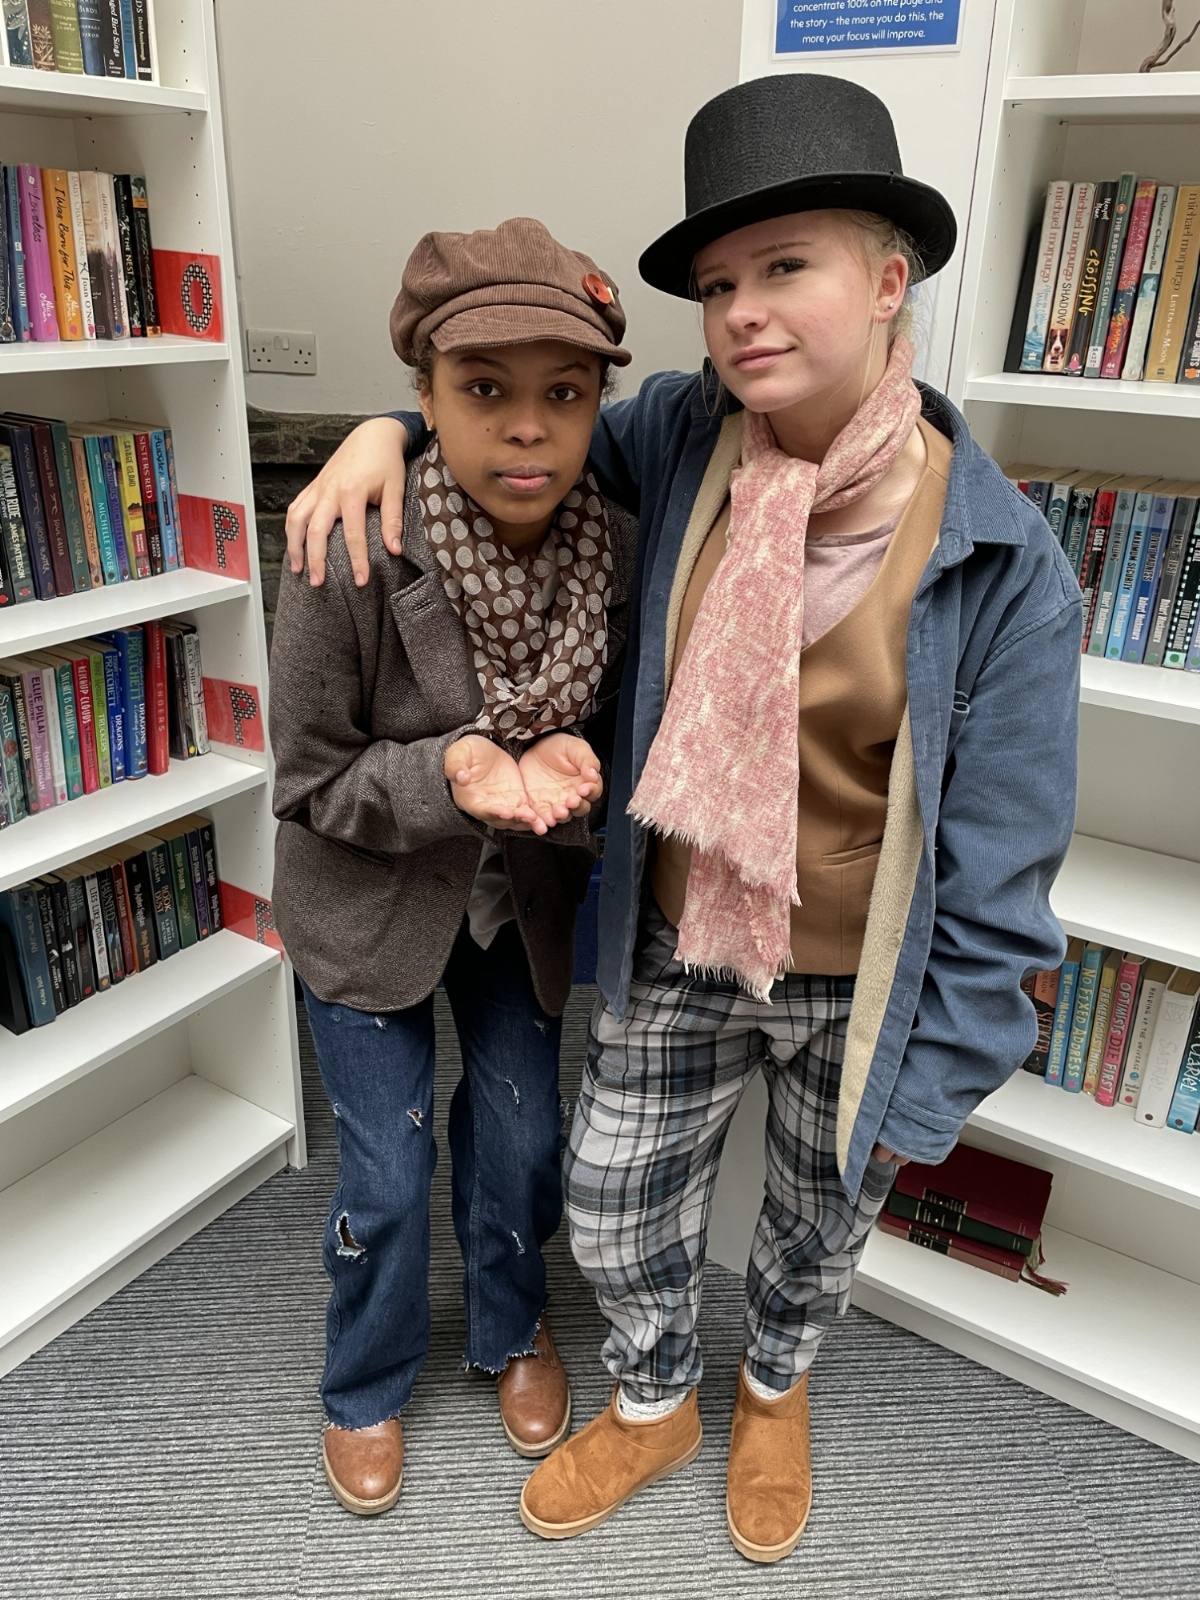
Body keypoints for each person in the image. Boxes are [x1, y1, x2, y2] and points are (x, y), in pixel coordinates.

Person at [284, 75, 1081, 1562]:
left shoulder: (1002, 557)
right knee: (611, 1191)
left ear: (890, 280)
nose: (743, 314)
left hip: (859, 968)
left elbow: (1006, 856)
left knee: (813, 1219)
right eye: (719, 285)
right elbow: (514, 418)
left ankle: (772, 1390)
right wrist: (378, 432)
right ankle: (654, 1397)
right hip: (679, 926)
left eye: (786, 267)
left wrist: (928, 1090)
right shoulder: (681, 436)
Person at [269, 217, 637, 1517]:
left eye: (565, 394)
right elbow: (308, 780)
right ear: (423, 399)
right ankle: (363, 1378)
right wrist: (455, 774)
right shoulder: (347, 542)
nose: (527, 428)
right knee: (385, 1168)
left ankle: (509, 1319)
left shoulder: (617, 548)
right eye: (484, 390)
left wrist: (579, 777)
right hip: (365, 904)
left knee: (524, 1135)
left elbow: (618, 730)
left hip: (516, 902)